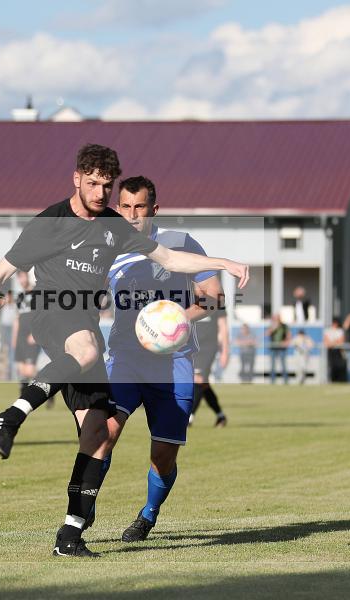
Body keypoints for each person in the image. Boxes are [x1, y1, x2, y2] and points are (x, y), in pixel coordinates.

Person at [0, 144, 248, 557]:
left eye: (107, 185)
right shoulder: (50, 223)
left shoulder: (115, 228)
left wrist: (226, 263)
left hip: (93, 331)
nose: (100, 193)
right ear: (77, 179)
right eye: (94, 184)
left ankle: (70, 534)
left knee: (97, 434)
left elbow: (170, 258)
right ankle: (9, 416)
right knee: (86, 347)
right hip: (51, 313)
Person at [101, 175, 222, 542]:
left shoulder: (180, 243)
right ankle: (81, 513)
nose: (133, 214)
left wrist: (174, 320)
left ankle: (149, 513)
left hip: (173, 361)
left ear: (154, 208)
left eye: (140, 207)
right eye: (125, 207)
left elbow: (213, 296)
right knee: (103, 433)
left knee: (164, 454)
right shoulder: (106, 248)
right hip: (124, 357)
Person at [191, 310, 230, 426]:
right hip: (192, 346)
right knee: (203, 385)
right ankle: (220, 416)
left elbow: (223, 327)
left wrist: (225, 351)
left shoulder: (216, 300)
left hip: (208, 347)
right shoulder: (189, 298)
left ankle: (188, 417)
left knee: (198, 379)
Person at [11, 271, 43, 399]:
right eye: (19, 278)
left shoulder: (36, 293)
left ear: (28, 277)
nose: (21, 280)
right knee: (22, 370)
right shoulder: (19, 297)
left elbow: (41, 316)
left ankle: (49, 382)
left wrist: (35, 334)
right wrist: (14, 339)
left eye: (23, 277)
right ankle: (23, 399)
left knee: (30, 371)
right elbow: (17, 319)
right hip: (20, 337)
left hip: (32, 337)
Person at [266, 313, 290, 384]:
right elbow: (267, 334)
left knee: (283, 365)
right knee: (272, 366)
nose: (276, 319)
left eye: (277, 318)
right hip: (273, 348)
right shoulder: (271, 326)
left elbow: (288, 336)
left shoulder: (284, 326)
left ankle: (286, 381)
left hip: (282, 349)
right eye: (275, 318)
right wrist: (274, 327)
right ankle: (272, 381)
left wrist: (286, 342)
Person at [323, 317, 347, 382]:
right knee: (331, 366)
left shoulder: (340, 331)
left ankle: (340, 380)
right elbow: (326, 341)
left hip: (338, 351)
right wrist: (334, 342)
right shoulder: (327, 331)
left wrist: (332, 343)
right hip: (330, 351)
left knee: (339, 366)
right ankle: (331, 380)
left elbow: (341, 341)